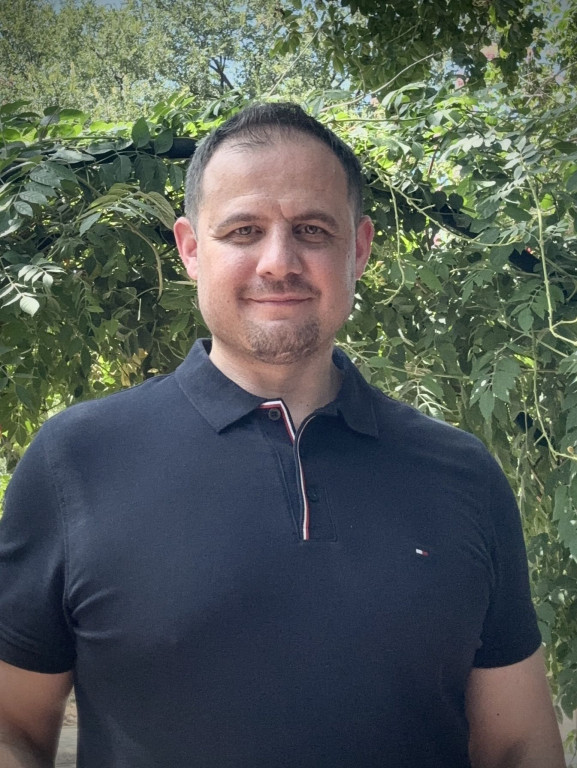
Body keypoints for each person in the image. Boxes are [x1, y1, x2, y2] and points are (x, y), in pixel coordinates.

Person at [0, 102, 565, 768]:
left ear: (358, 248)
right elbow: (13, 724)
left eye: (312, 230)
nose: (278, 262)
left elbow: (517, 744)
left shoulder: (462, 474)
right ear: (191, 249)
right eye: (243, 230)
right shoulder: (76, 460)